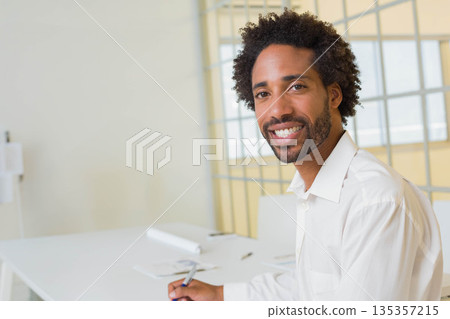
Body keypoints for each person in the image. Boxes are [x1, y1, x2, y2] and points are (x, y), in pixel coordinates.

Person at [168, 10, 443, 301]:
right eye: (263, 94)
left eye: (296, 86)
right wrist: (221, 295)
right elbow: (314, 289)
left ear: (334, 95)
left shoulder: (374, 199)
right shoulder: (315, 187)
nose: (277, 110)